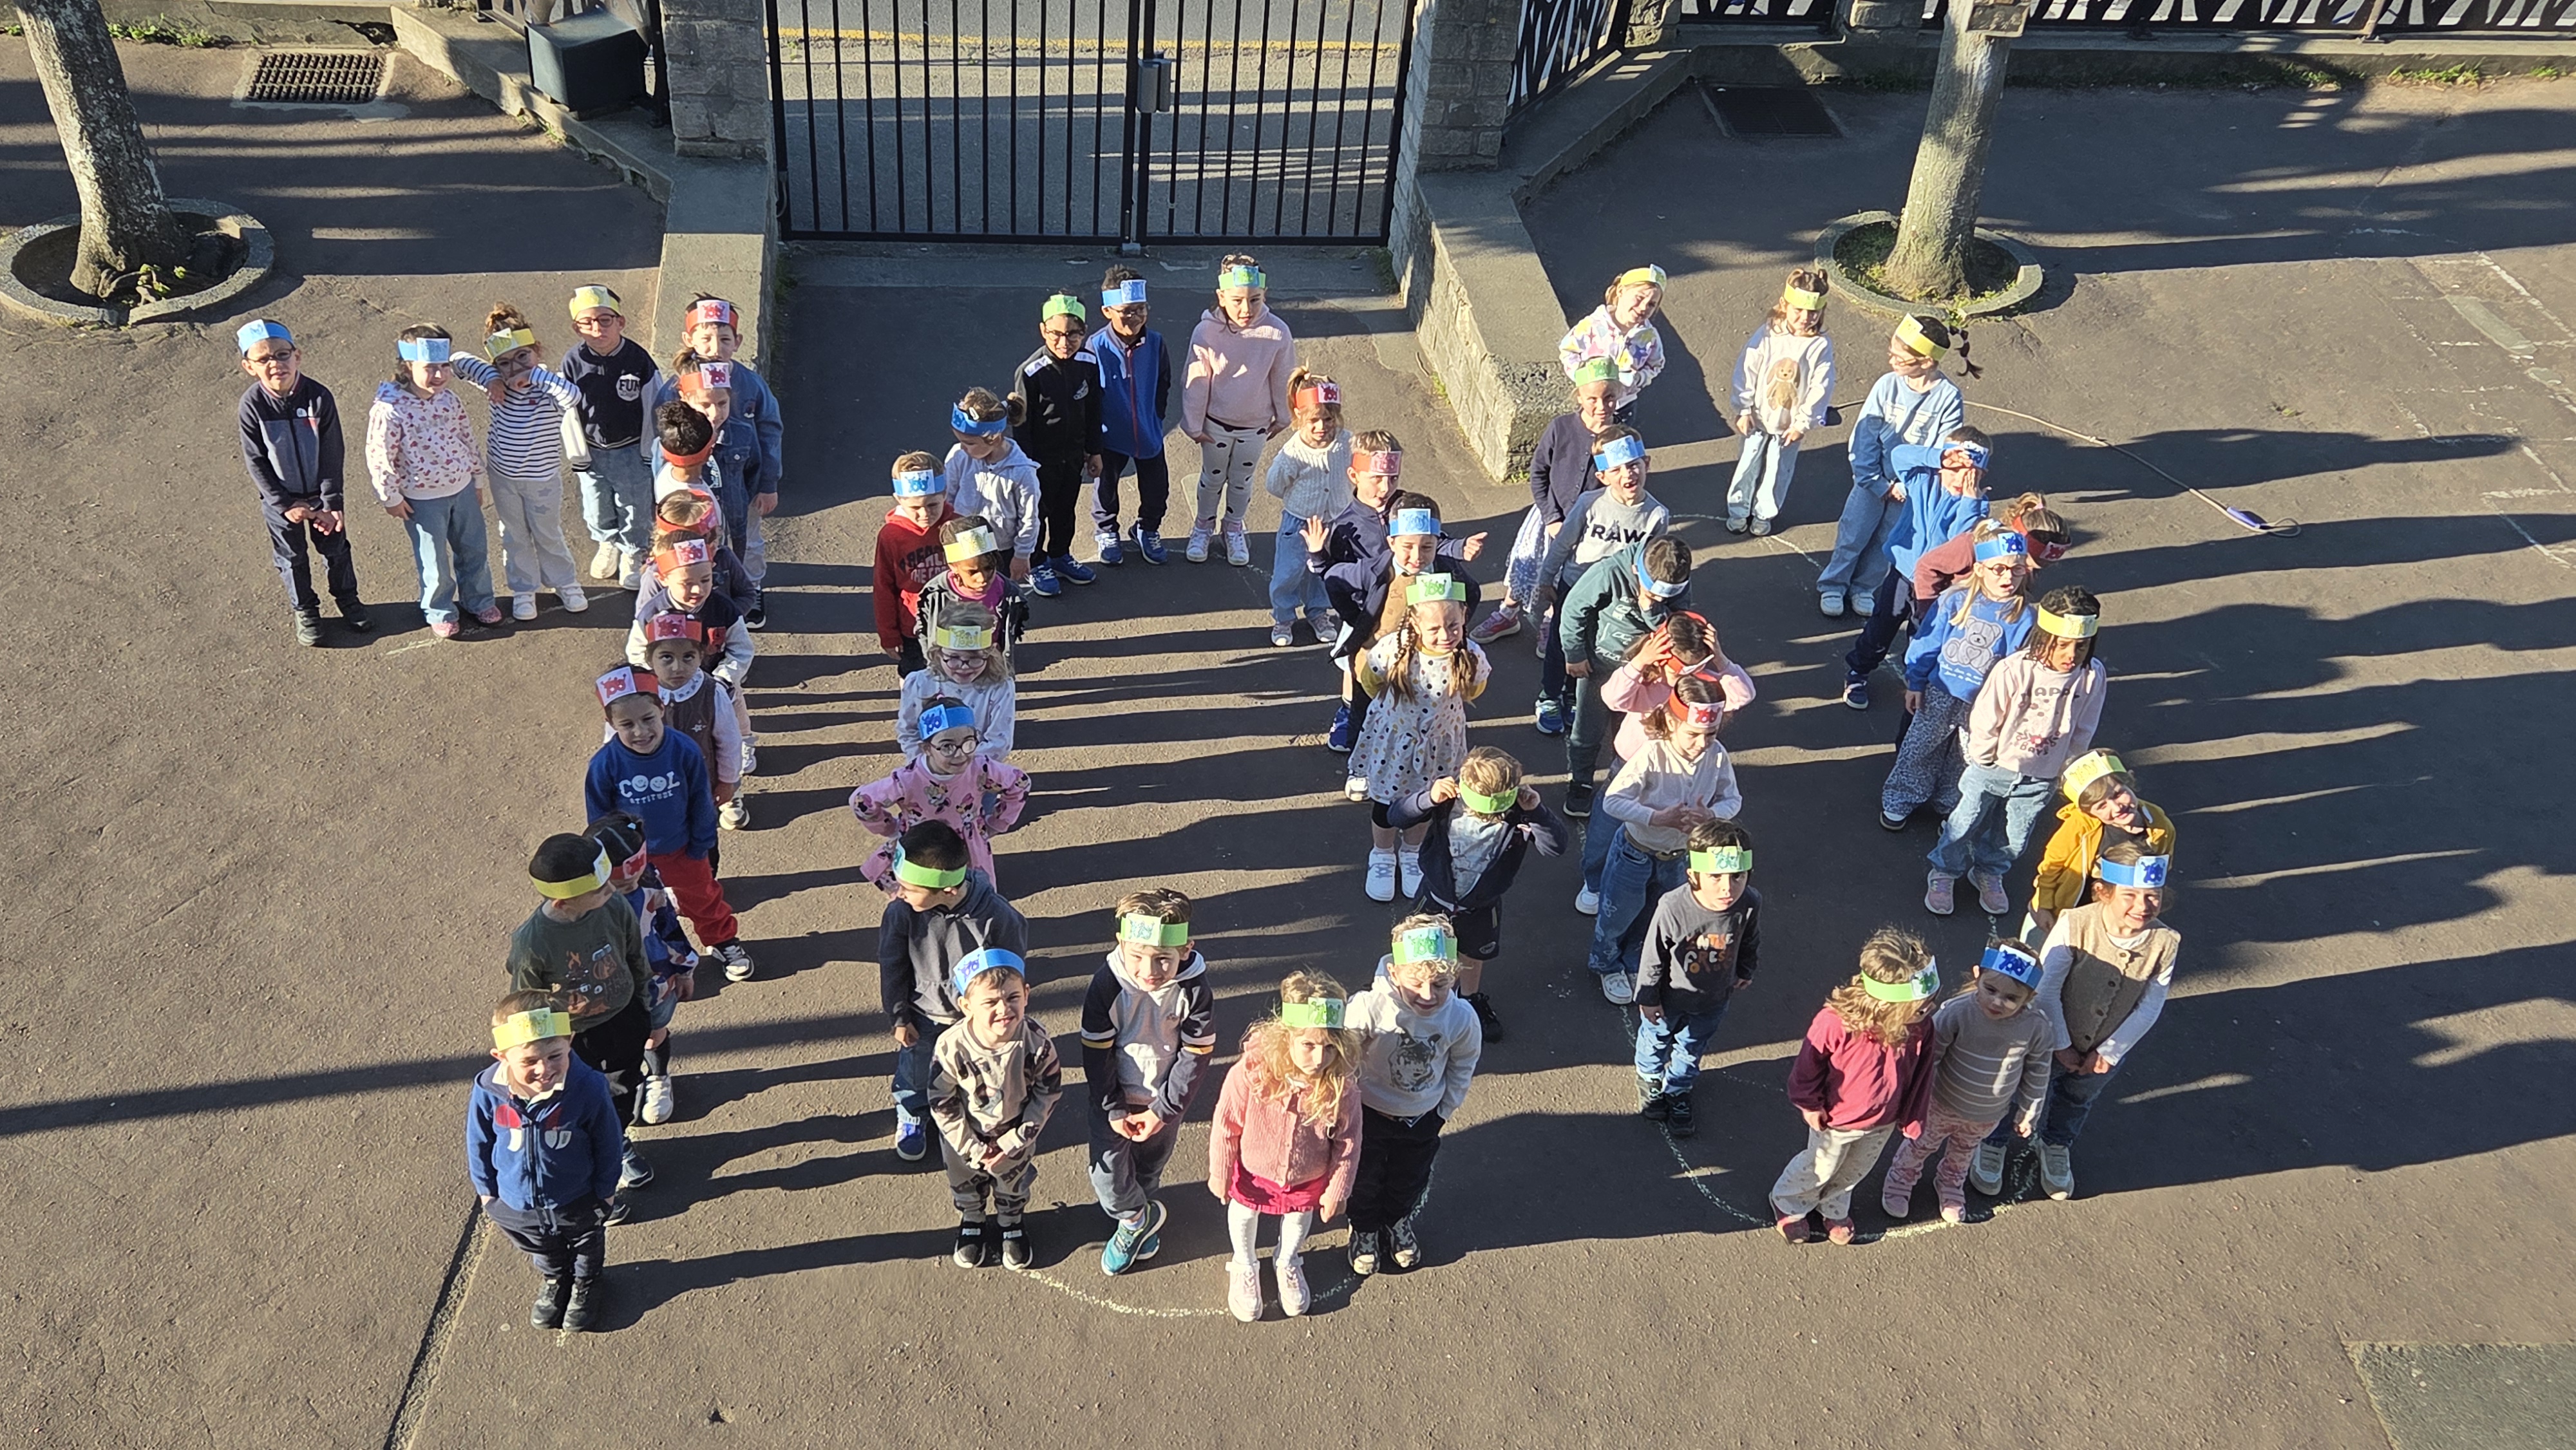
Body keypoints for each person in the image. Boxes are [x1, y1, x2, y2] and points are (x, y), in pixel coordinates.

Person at [1980, 842, 2181, 1201]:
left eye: (2153, 896)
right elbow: (2047, 988)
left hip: (2105, 1047)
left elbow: (2151, 1004)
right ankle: (1992, 1142)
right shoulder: (2076, 924)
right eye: (2131, 895)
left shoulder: (2165, 941)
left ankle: (2056, 1145)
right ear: (2104, 892)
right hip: (2048, 1039)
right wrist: (2061, 1043)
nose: (2142, 906)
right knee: (2019, 1090)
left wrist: (2110, 1052)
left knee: (2077, 1099)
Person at [1927, 587, 2108, 919]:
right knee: (1964, 821)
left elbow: (2085, 724)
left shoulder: (2092, 675)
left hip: (2042, 774)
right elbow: (1986, 716)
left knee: (2014, 833)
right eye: (2062, 645)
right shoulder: (2015, 670)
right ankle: (1944, 871)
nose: (2071, 654)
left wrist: (2068, 764)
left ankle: (1989, 871)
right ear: (2043, 637)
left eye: (2080, 646)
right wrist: (1983, 757)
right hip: (1994, 766)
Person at [1383, 746, 1569, 1042]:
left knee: (1472, 954)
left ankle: (1469, 999)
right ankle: (1412, 998)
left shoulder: (1517, 814)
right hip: (1434, 901)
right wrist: (1427, 798)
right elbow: (1397, 815)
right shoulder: (1447, 801)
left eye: (1496, 809)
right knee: (1419, 953)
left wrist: (1537, 812)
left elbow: (1556, 847)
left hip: (1481, 907)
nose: (1489, 815)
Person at [505, 832, 654, 1202]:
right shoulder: (533, 942)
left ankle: (615, 1137)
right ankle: (601, 1155)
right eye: (600, 888)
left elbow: (635, 956)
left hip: (624, 1019)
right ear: (564, 899)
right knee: (579, 1099)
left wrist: (644, 1005)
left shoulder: (613, 907)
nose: (611, 890)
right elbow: (527, 1004)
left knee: (624, 1086)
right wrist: (535, 1054)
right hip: (573, 1039)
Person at [1206, 972, 1362, 1321]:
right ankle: (1244, 1262)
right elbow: (1226, 1123)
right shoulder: (1251, 1073)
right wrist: (1220, 1172)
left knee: (1297, 1217)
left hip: (1308, 1173)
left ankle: (1287, 1258)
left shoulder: (1341, 1087)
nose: (1319, 1057)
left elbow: (1349, 1141)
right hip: (1254, 1169)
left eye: (1329, 1047)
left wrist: (1338, 1189)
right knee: (1245, 1212)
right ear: (1286, 1037)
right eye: (1308, 1045)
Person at [583, 665, 754, 981]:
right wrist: (608, 862)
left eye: (648, 719)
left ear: (661, 707)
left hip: (683, 849)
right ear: (611, 724)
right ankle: (647, 959)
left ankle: (722, 941)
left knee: (705, 899)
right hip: (632, 860)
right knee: (635, 911)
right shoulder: (604, 764)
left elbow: (700, 800)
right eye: (627, 724)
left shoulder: (684, 749)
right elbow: (599, 819)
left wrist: (702, 843)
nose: (640, 731)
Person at [1772, 927, 1940, 1245]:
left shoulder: (1920, 1026)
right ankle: (1790, 1201)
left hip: (1883, 1121)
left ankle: (1833, 1205)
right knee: (1820, 1166)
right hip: (1837, 1120)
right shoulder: (1836, 1022)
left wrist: (1913, 1115)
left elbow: (1922, 1071)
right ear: (1886, 1004)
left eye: (1930, 1003)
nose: (1928, 1011)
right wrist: (1809, 1103)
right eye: (1920, 1007)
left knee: (1856, 1170)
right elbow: (1808, 1066)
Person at [466, 991, 622, 1331]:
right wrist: (487, 1193)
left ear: (570, 1041)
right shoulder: (488, 1089)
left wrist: (606, 1191)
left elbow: (608, 1143)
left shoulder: (588, 1088)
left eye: (556, 1056)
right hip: (516, 1201)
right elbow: (479, 1141)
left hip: (577, 1197)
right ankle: (555, 1279)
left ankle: (585, 1282)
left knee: (586, 1243)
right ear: (502, 1056)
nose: (544, 1070)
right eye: (529, 1062)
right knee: (542, 1246)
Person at [1082, 889, 1218, 1276]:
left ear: (1186, 949)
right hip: (1113, 1101)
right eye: (1137, 956)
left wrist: (1163, 1111)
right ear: (1121, 942)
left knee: (1149, 1169)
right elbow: (1096, 1052)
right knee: (1108, 1176)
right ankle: (1136, 1220)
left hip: (1163, 1105)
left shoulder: (1194, 990)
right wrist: (1112, 1107)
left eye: (1163, 959)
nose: (1149, 970)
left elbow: (1196, 1054)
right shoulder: (1106, 986)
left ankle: (1140, 1216)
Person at [877, 822, 1028, 1163]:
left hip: (976, 1021)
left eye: (907, 887)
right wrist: (899, 1016)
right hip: (925, 1015)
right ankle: (913, 1110)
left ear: (946, 890)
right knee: (916, 1071)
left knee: (978, 1070)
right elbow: (892, 965)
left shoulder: (997, 916)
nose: (898, 892)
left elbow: (1013, 970)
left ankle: (970, 1114)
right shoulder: (901, 913)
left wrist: (1002, 1013)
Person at [1582, 613, 1756, 912]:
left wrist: (1722, 661)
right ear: (1660, 654)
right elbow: (1612, 698)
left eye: (1697, 667)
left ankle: (1657, 883)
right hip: (1629, 764)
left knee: (1671, 828)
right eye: (1678, 668)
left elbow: (1744, 695)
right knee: (1607, 824)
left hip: (1679, 771)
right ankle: (1595, 880)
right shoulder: (1648, 679)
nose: (1684, 676)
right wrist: (1640, 662)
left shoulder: (1700, 688)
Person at [1589, 674, 1743, 1004]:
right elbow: (1612, 800)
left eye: (1711, 734)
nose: (1702, 743)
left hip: (1680, 857)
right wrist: (1656, 818)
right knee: (1618, 914)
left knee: (1655, 916)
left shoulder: (1716, 755)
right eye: (1693, 735)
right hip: (1635, 852)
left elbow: (1733, 799)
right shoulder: (1651, 755)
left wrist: (1712, 816)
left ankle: (1633, 962)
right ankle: (1605, 964)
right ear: (1672, 723)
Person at [1308, 473, 1486, 757]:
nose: (1417, 556)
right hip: (1375, 658)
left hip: (1421, 664)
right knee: (1363, 711)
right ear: (1392, 543)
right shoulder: (1374, 570)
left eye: (1427, 547)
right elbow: (1335, 580)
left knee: (1414, 715)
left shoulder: (1445, 572)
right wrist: (1356, 618)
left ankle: (1412, 763)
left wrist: (1455, 627)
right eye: (1408, 547)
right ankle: (1360, 765)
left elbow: (1472, 593)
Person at [1343, 916, 1482, 1276]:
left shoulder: (1461, 1018)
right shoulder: (1370, 1006)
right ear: (1394, 973)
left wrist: (1444, 1110)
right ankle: (1365, 1228)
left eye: (1439, 984)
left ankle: (1397, 1221)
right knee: (1365, 1177)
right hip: (1369, 1112)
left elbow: (1463, 1064)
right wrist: (1344, 1106)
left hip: (1422, 1117)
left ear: (1454, 975)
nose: (1427, 994)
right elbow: (1343, 1057)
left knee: (1410, 1177)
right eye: (1415, 982)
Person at [1880, 939, 2054, 1225]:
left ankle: (1949, 1184)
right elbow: (1930, 1055)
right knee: (1920, 1145)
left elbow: (2038, 1071)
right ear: (1978, 976)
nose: (1998, 1002)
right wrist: (1913, 1095)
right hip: (1941, 1102)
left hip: (1987, 1114)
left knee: (1964, 1152)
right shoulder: (1958, 1011)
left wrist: (2029, 1111)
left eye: (2012, 998)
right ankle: (1900, 1179)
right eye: (1991, 990)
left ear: (2029, 997)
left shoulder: (2036, 1027)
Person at [1816, 313, 1971, 619]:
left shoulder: (1948, 397)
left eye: (1900, 358)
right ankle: (1833, 585)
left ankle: (1863, 587)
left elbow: (1942, 451)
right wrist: (1875, 481)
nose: (1892, 361)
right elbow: (1864, 437)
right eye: (1892, 353)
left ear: (1927, 362)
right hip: (1873, 481)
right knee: (1854, 533)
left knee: (1889, 540)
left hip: (1911, 489)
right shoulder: (1887, 386)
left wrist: (1908, 486)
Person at [1882, 522, 2034, 832]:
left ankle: (1950, 805)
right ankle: (1901, 798)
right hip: (1940, 690)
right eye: (1999, 569)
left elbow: (2020, 668)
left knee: (1967, 758)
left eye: (2016, 571)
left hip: (1985, 705)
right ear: (1980, 569)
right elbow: (1927, 642)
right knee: (1920, 746)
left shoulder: (2025, 616)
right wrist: (1916, 681)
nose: (2007, 578)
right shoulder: (1955, 600)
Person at [1350, 574, 1491, 903]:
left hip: (1440, 747)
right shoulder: (1394, 649)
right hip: (1394, 742)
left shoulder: (1469, 654)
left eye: (1453, 626)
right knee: (1386, 804)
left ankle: (1412, 852)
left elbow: (1476, 687)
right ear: (1414, 621)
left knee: (1429, 800)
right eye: (1435, 629)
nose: (1446, 635)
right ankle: (1382, 855)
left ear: (1464, 616)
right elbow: (1370, 681)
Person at [445, 305, 587, 620]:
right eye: (505, 363)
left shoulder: (549, 383)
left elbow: (573, 397)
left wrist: (532, 374)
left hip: (542, 479)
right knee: (514, 534)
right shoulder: (495, 381)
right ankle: (524, 589)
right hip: (504, 477)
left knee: (547, 532)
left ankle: (564, 582)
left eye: (523, 356)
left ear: (536, 351)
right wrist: (494, 378)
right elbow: (456, 361)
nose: (515, 368)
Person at [235, 319, 372, 643]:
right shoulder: (252, 405)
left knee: (336, 551)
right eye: (264, 359)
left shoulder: (319, 397)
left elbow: (332, 452)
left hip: (320, 497)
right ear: (249, 367)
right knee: (292, 558)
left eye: (283, 355)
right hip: (280, 501)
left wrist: (331, 502)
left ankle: (348, 600)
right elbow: (256, 461)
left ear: (298, 355)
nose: (275, 364)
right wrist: (284, 505)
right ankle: (306, 609)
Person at [1530, 426, 1669, 739]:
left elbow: (1654, 562)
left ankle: (1574, 696)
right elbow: (1563, 544)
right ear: (1604, 476)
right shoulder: (1589, 504)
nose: (1627, 475)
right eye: (1617, 469)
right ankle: (1550, 697)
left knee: (1594, 650)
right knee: (1561, 645)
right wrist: (1545, 579)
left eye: (1633, 465)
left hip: (1617, 599)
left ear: (1647, 463)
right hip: (1575, 587)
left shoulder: (1657, 515)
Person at [1842, 426, 1994, 712]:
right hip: (1903, 572)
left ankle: (1915, 683)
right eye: (1954, 468)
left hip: (1939, 585)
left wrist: (1970, 500)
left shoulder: (1976, 506)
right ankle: (1858, 672)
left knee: (1921, 636)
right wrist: (1940, 457)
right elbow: (1900, 456)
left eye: (1969, 471)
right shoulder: (1922, 479)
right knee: (1882, 626)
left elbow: (1960, 542)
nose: (1959, 476)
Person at [929, 947, 1062, 1271]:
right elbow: (941, 1100)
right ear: (966, 1006)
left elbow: (1049, 1092)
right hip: (964, 1137)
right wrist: (971, 1147)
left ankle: (1011, 1221)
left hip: (1014, 1135)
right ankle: (972, 1218)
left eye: (1013, 997)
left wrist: (1014, 1141)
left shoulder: (1037, 1042)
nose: (1004, 1009)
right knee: (964, 1181)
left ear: (1026, 995)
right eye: (990, 1002)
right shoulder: (950, 1046)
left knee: (1013, 1184)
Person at [365, 325, 500, 639]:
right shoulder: (390, 409)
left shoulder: (449, 400)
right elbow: (379, 454)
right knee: (434, 560)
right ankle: (440, 609)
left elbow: (466, 437)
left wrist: (476, 478)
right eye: (430, 368)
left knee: (474, 550)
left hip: (461, 487)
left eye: (444, 367)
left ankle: (479, 601)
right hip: (422, 498)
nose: (439, 375)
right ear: (407, 366)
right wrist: (390, 496)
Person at [1474, 357, 1616, 648]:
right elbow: (1539, 473)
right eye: (1593, 399)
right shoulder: (1561, 428)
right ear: (1579, 396)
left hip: (1588, 527)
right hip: (1549, 519)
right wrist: (1552, 517)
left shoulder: (1618, 437)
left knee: (1568, 576)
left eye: (1609, 398)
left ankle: (1552, 619)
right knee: (1525, 566)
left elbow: (1622, 480)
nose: (1601, 407)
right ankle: (1508, 613)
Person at [1634, 819, 1761, 1138]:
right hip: (1668, 998)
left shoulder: (1749, 903)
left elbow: (1749, 938)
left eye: (1737, 877)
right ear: (1693, 875)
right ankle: (1650, 1078)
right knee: (1656, 1039)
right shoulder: (1673, 908)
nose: (1727, 888)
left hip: (1713, 999)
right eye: (1715, 876)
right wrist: (1648, 997)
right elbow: (1653, 954)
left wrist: (1746, 968)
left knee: (1692, 1046)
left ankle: (1677, 1089)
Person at [661, 297, 783, 622]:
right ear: (689, 340)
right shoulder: (674, 387)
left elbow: (770, 433)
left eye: (725, 339)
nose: (715, 347)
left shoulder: (752, 385)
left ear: (738, 342)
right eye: (706, 339)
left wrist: (768, 485)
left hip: (741, 490)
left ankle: (751, 588)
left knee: (749, 543)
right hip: (693, 498)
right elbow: (659, 439)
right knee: (699, 544)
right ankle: (704, 591)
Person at [1557, 536, 1695, 818]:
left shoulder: (1673, 582)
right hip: (1600, 666)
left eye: (1665, 597)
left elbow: (1678, 625)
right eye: (1653, 593)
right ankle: (1581, 782)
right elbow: (1573, 609)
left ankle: (1627, 780)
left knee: (1633, 732)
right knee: (1588, 728)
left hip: (1647, 673)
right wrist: (1574, 654)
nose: (1659, 599)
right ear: (1636, 570)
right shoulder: (1609, 572)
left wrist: (1651, 610)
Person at [1181, 254, 1297, 567]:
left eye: (1255, 300)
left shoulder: (1277, 332)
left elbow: (1283, 377)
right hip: (1215, 425)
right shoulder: (1206, 333)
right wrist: (1193, 424)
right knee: (1213, 477)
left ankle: (1234, 527)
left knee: (1243, 479)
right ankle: (1203, 525)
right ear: (1221, 297)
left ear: (1265, 294)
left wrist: (1284, 416)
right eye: (1237, 301)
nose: (1246, 310)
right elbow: (1197, 380)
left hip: (1255, 426)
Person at [585, 813, 698, 1127]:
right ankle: (621, 1093)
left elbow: (668, 926)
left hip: (654, 981)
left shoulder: (649, 883)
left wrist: (685, 968)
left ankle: (659, 1077)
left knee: (653, 1033)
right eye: (621, 885)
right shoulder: (585, 905)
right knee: (610, 1048)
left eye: (635, 879)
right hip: (605, 994)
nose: (632, 887)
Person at [851, 700, 1030, 890]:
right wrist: (890, 828)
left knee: (963, 901)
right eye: (947, 747)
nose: (960, 754)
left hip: (962, 850)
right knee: (921, 899)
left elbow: (1019, 783)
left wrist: (998, 823)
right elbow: (862, 801)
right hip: (923, 853)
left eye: (968, 743)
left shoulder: (980, 767)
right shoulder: (908, 780)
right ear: (926, 748)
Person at [558, 284, 661, 589]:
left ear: (620, 322)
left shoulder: (637, 360)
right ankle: (607, 543)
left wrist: (650, 450)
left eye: (605, 320)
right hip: (592, 451)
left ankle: (633, 550)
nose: (597, 328)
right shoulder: (572, 362)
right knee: (596, 503)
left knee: (634, 504)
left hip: (630, 449)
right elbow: (566, 411)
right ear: (577, 328)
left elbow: (655, 403)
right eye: (587, 322)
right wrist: (577, 453)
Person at [1727, 268, 1835, 536]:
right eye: (1798, 310)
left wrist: (1804, 422)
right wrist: (1743, 408)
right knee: (1747, 463)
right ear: (1785, 305)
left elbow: (1820, 386)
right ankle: (1739, 509)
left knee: (1778, 470)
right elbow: (1747, 368)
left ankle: (1764, 513)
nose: (1805, 318)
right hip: (1758, 417)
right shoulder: (1768, 334)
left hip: (1789, 425)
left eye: (1813, 313)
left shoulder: (1819, 345)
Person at [2026, 750, 2175, 939]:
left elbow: (2160, 873)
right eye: (2101, 806)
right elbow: (2053, 865)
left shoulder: (2160, 827)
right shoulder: (2079, 826)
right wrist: (2044, 905)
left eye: (2118, 793)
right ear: (2089, 813)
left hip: (2119, 918)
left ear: (2130, 783)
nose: (2116, 807)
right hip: (2072, 907)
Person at [1011, 294, 1104, 592]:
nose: (1065, 342)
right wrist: (1026, 466)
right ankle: (1037, 563)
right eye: (1057, 334)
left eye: (1074, 334)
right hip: (1040, 462)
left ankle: (1061, 555)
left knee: (1066, 510)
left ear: (1084, 332)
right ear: (1043, 331)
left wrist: (1095, 450)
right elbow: (1022, 426)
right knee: (1039, 513)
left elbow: (1093, 410)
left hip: (1073, 457)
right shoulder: (1031, 372)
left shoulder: (1089, 364)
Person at [1088, 267, 1174, 565]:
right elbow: (1089, 396)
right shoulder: (1095, 347)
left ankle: (1147, 529)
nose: (1134, 318)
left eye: (1140, 310)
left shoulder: (1157, 343)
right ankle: (1106, 530)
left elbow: (1164, 382)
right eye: (1126, 311)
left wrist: (1157, 417)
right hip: (1110, 436)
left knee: (1157, 489)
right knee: (1106, 488)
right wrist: (1093, 440)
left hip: (1149, 432)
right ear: (1107, 311)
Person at [1261, 368, 1352, 647]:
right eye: (1314, 420)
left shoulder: (1347, 442)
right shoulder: (1293, 452)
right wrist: (1297, 498)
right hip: (1298, 523)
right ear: (1299, 416)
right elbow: (1274, 484)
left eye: (1328, 418)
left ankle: (1319, 612)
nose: (1322, 427)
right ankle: (1284, 617)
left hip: (1334, 522)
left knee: (1326, 571)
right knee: (1289, 572)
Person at [636, 613, 745, 831]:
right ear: (650, 660)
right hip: (651, 785)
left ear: (700, 657)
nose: (678, 668)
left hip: (701, 781)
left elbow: (730, 741)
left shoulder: (712, 692)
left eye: (688, 657)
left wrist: (727, 782)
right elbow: (617, 737)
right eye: (666, 657)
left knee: (701, 831)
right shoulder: (639, 693)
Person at [944, 388, 1045, 589]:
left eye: (969, 443)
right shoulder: (959, 456)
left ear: (993, 438)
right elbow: (948, 496)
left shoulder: (1022, 473)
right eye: (960, 441)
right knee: (964, 594)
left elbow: (1029, 518)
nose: (962, 448)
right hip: (965, 543)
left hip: (1001, 550)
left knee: (999, 595)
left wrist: (1022, 555)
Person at [896, 605, 1016, 762]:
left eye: (974, 658)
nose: (964, 667)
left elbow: (999, 743)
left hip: (976, 772)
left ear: (990, 653)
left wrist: (957, 765)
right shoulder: (919, 683)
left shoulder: (1000, 687)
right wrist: (930, 766)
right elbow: (908, 731)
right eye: (953, 658)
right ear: (938, 653)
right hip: (927, 771)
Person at [873, 453, 954, 676]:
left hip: (956, 621)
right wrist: (888, 634)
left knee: (957, 677)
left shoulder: (958, 525)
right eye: (915, 508)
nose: (925, 514)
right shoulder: (891, 536)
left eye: (933, 505)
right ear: (899, 500)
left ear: (945, 494)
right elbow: (884, 588)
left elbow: (979, 574)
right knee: (915, 677)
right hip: (914, 628)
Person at [916, 516, 1031, 672]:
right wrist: (933, 666)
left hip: (990, 666)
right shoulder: (936, 593)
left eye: (989, 568)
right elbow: (924, 631)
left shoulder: (1009, 593)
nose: (982, 578)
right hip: (949, 669)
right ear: (953, 566)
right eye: (972, 572)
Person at [1558, 264, 1666, 422]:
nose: (1644, 307)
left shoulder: (1650, 337)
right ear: (1621, 292)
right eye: (1640, 298)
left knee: (1618, 444)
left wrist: (1638, 378)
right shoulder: (1593, 326)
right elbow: (1568, 350)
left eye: (1651, 304)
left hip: (1624, 405)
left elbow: (1656, 365)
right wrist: (1582, 378)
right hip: (1591, 403)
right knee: (1586, 442)